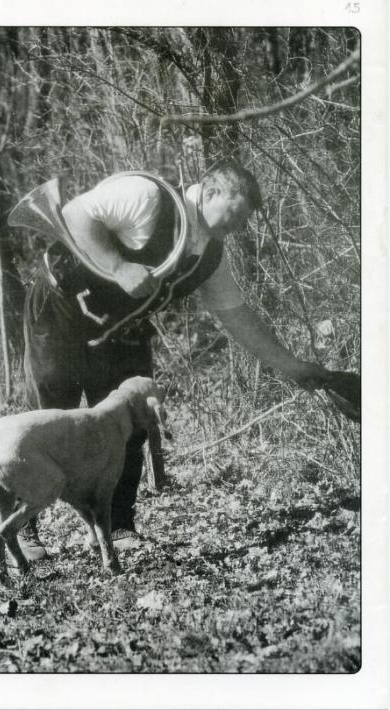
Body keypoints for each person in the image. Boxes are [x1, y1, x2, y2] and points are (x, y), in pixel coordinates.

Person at [19, 160, 330, 559]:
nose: (235, 226)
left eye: (243, 221)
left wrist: (293, 368)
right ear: (210, 192)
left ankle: (116, 526)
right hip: (59, 306)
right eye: (233, 214)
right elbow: (75, 214)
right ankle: (24, 529)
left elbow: (237, 318)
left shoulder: (211, 255)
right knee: (50, 417)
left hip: (118, 325)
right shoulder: (146, 195)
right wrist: (118, 265)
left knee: (128, 421)